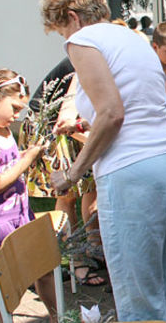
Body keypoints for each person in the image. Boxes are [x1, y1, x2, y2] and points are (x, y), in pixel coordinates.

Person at [41, 0, 166, 322]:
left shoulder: (83, 40)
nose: (65, 39)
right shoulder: (131, 37)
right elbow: (133, 107)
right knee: (159, 282)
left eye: (62, 30)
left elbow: (113, 113)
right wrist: (92, 123)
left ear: (72, 16)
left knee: (137, 295)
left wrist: (73, 174)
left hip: (132, 172)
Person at [0, 69, 58, 321]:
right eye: (14, 108)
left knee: (44, 270)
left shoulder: (4, 129)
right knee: (9, 285)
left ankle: (58, 317)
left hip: (21, 214)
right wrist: (27, 158)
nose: (17, 115)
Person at [28, 58, 106, 287]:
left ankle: (93, 248)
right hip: (53, 125)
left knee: (91, 188)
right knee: (68, 196)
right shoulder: (88, 58)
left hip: (75, 125)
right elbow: (66, 119)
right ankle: (77, 261)